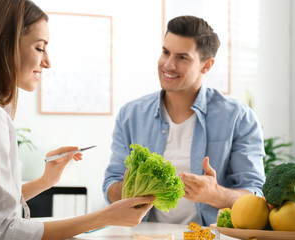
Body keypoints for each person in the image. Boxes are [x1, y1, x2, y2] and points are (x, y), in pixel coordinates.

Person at [0, 0, 154, 239]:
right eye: (40, 48)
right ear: (5, 44)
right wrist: (105, 216)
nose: (47, 62)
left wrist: (45, 181)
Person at [103, 15, 265, 226]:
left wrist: (214, 194)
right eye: (165, 52)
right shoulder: (131, 116)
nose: (168, 65)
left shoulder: (238, 118)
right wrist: (129, 187)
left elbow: (255, 197)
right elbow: (110, 187)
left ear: (206, 66)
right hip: (147, 235)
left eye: (182, 57)